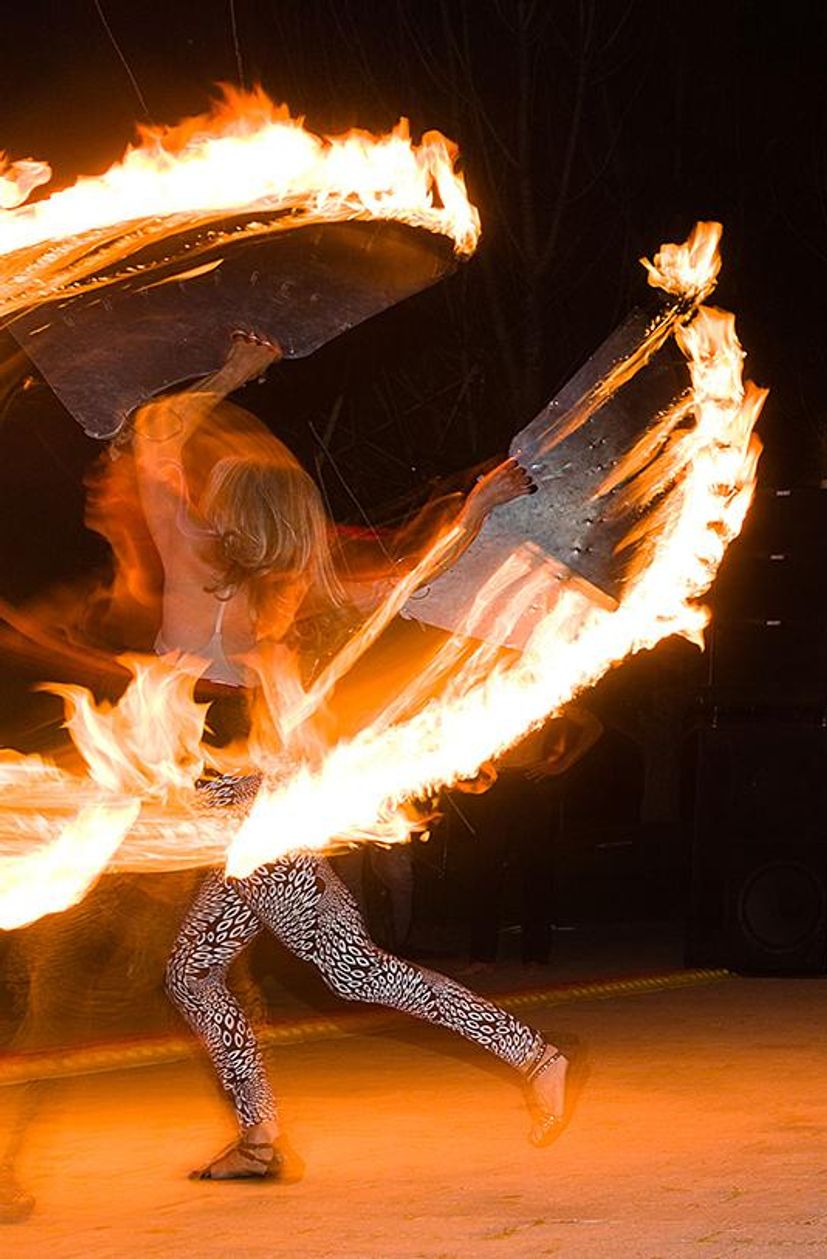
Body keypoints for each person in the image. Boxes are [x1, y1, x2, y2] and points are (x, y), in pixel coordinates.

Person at [132, 334, 572, 1179]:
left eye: (214, 486)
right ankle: (259, 1138)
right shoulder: (287, 580)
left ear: (228, 509)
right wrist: (473, 508)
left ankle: (533, 1054)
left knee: (349, 967)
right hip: (243, 799)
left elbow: (154, 432)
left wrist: (229, 374)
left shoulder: (196, 558)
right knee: (193, 970)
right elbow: (408, 576)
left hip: (251, 804)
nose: (201, 486)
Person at [457, 704, 603, 969]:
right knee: (486, 866)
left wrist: (562, 764)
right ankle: (482, 955)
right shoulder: (492, 689)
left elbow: (593, 726)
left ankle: (536, 953)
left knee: (536, 866)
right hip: (493, 784)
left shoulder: (543, 689)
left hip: (531, 781)